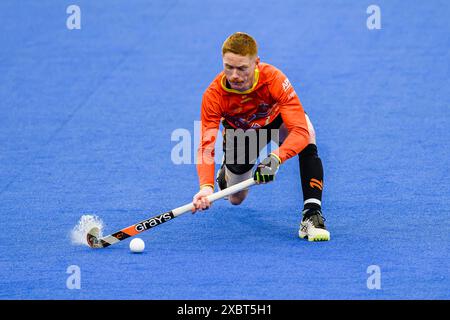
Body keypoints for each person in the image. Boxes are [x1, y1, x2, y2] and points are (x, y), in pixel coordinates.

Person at [192, 32, 330, 241]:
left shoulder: (273, 79)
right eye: (228, 67)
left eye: (242, 68)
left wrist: (276, 158)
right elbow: (206, 146)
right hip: (242, 134)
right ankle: (226, 175)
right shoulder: (213, 95)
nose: (235, 75)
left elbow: (299, 131)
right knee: (236, 198)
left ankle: (312, 215)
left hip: (276, 120)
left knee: (308, 134)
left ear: (256, 63)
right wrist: (205, 187)